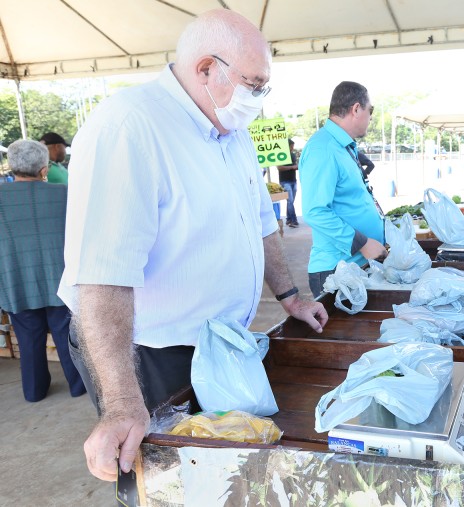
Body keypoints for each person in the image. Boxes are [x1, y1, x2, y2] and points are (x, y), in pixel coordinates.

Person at [58, 9, 328, 482]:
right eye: (254, 84)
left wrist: (289, 297)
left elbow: (261, 222)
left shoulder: (232, 132)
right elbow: (101, 275)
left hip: (221, 344)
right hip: (152, 353)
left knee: (221, 474)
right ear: (206, 69)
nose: (259, 99)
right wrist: (122, 402)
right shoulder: (130, 126)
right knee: (168, 481)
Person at [0, 140, 85, 402]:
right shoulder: (65, 194)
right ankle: (78, 386)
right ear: (44, 168)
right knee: (66, 334)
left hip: (16, 282)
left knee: (27, 339)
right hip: (58, 278)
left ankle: (34, 392)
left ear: (12, 166)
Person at [300, 81, 387, 297]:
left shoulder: (342, 146)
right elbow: (315, 212)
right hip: (336, 271)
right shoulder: (324, 148)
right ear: (356, 109)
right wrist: (362, 243)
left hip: (355, 266)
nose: (370, 117)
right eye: (370, 111)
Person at [277, 138, 299, 228]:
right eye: (291, 146)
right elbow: (279, 167)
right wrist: (292, 167)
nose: (292, 148)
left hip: (293, 180)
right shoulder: (280, 155)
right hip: (284, 181)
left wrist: (294, 167)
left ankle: (289, 218)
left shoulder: (293, 155)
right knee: (290, 201)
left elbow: (297, 166)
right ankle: (293, 220)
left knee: (291, 201)